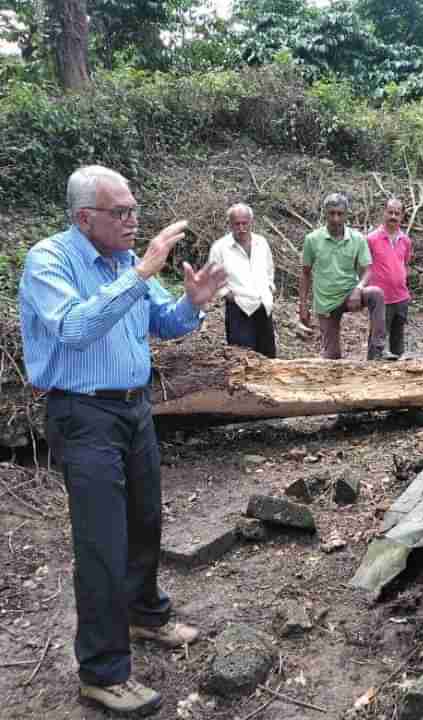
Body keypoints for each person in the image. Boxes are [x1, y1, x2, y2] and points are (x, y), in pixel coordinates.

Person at [18, 165, 226, 716]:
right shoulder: (50, 262)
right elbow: (75, 328)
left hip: (134, 409)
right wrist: (138, 274)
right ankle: (102, 671)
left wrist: (194, 302)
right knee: (101, 543)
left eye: (135, 209)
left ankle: (144, 614)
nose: (135, 220)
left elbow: (165, 322)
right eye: (122, 212)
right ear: (85, 217)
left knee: (145, 519)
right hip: (82, 414)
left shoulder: (123, 264)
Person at [299, 193, 386, 360]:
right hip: (326, 303)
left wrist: (358, 288)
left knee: (376, 294)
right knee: (332, 356)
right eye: (332, 213)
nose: (336, 218)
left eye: (340, 213)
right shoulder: (312, 239)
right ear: (325, 213)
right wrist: (303, 306)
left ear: (346, 214)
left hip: (350, 294)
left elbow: (368, 269)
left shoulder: (357, 239)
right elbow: (305, 273)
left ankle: (377, 351)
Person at [207, 203, 277, 357]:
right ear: (230, 224)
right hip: (239, 308)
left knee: (267, 356)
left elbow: (270, 268)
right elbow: (213, 277)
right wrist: (227, 294)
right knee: (241, 357)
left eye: (245, 223)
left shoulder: (261, 243)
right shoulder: (220, 247)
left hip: (263, 306)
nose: (241, 228)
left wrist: (270, 287)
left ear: (251, 222)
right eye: (237, 224)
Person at [365, 198, 414, 359]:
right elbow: (364, 268)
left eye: (397, 213)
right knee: (376, 342)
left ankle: (398, 379)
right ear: (384, 212)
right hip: (380, 300)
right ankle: (369, 374)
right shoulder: (371, 239)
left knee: (398, 344)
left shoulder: (406, 241)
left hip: (401, 298)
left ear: (402, 216)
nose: (393, 216)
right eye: (390, 212)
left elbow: (404, 264)